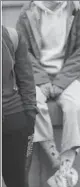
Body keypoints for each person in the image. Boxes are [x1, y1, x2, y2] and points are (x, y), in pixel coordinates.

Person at [16, 1, 80, 186]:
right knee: (31, 101)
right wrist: (41, 80)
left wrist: (60, 82)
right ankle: (55, 160)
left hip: (72, 75)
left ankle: (66, 165)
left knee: (74, 106)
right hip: (38, 76)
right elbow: (23, 52)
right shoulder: (27, 13)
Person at [2, 25, 38, 187]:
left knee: (17, 181)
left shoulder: (12, 36)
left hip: (13, 120)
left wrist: (30, 116)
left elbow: (26, 79)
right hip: (15, 118)